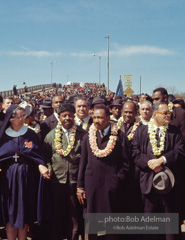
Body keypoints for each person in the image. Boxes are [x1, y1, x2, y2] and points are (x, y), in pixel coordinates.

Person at [132, 102, 185, 240]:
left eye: (169, 113)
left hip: (169, 184)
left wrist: (162, 160)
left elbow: (180, 151)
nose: (169, 115)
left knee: (168, 219)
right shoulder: (141, 131)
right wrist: (150, 163)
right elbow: (135, 152)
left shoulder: (174, 131)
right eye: (165, 113)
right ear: (155, 115)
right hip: (148, 183)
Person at [77, 106, 130, 240]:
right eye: (94, 117)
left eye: (100, 117)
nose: (96, 120)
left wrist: (117, 179)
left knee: (111, 221)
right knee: (93, 222)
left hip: (111, 185)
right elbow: (83, 162)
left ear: (108, 118)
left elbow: (126, 162)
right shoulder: (88, 136)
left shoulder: (118, 136)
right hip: (92, 185)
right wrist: (80, 186)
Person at [0, 105, 50, 240]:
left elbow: (38, 156)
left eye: (24, 116)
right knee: (10, 212)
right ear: (11, 119)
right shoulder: (3, 136)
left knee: (24, 211)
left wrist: (42, 166)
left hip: (27, 177)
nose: (23, 119)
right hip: (8, 178)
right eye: (19, 117)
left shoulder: (30, 134)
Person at [43, 103, 86, 240]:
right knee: (57, 214)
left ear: (74, 116)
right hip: (57, 181)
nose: (67, 118)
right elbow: (46, 157)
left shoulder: (82, 135)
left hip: (75, 181)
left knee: (74, 215)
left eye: (70, 115)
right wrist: (48, 167)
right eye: (64, 116)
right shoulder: (51, 135)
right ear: (59, 117)